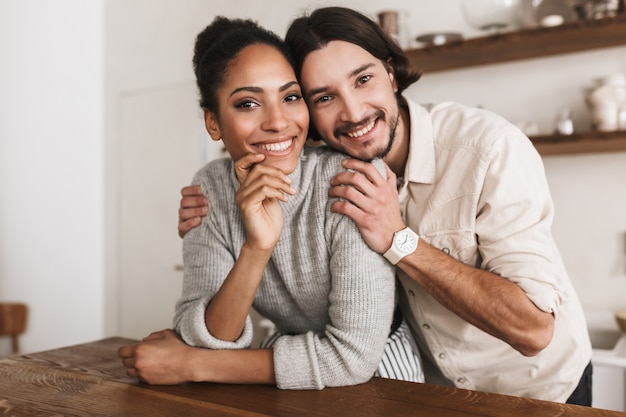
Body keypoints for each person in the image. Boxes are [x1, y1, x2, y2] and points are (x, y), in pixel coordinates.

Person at [177, 7, 592, 405]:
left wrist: (398, 239)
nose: (353, 112)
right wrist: (220, 213)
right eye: (323, 97)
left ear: (391, 74)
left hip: (540, 390)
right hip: (435, 390)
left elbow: (534, 330)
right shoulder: (324, 167)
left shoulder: (487, 149)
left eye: (363, 80)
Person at [119, 16, 423, 390]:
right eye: (248, 103)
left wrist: (192, 365)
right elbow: (207, 336)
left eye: (291, 97)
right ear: (213, 123)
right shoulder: (211, 188)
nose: (278, 122)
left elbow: (352, 359)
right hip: (283, 367)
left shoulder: (350, 177)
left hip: (382, 373)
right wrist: (257, 247)